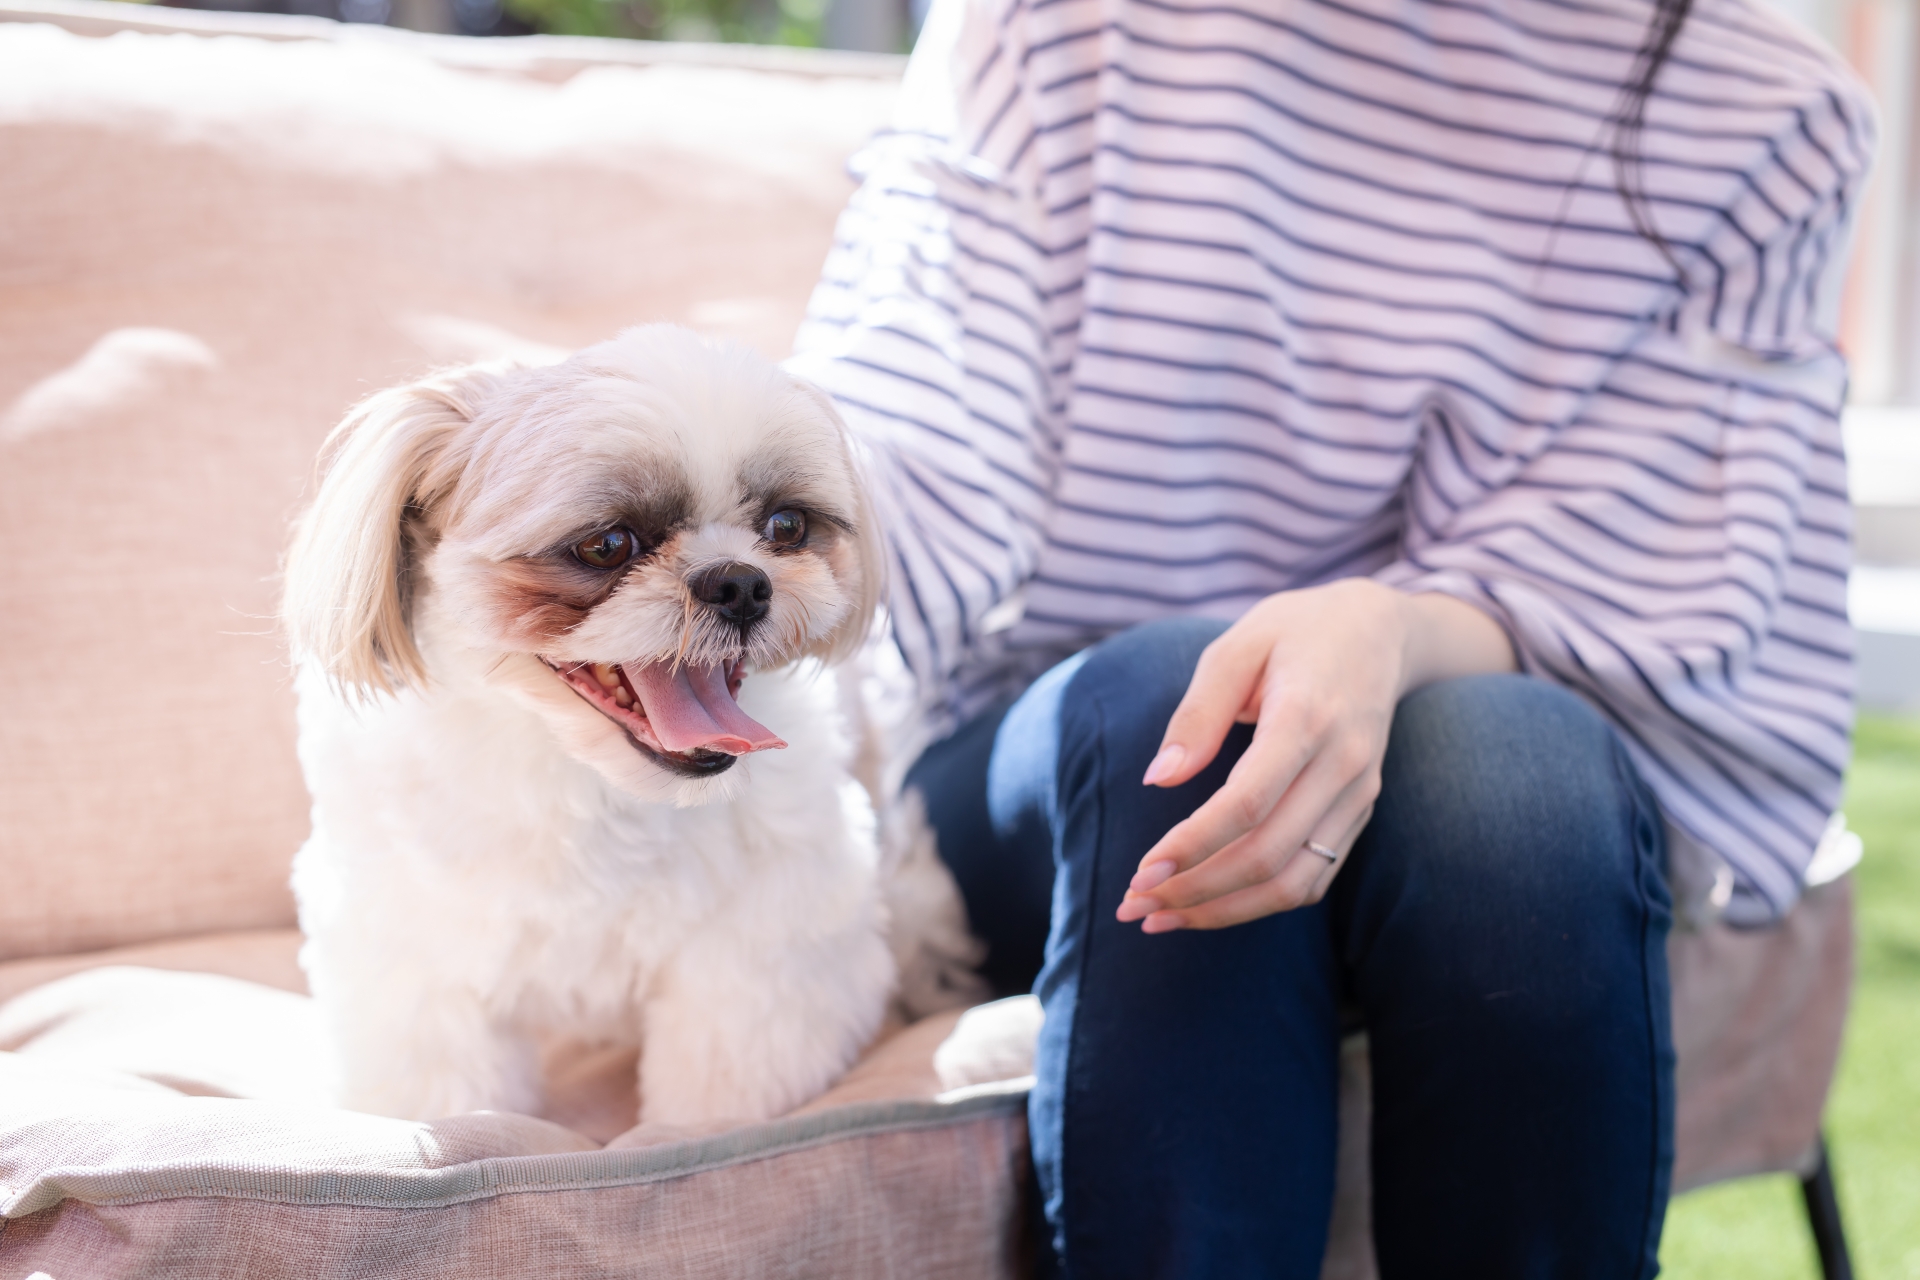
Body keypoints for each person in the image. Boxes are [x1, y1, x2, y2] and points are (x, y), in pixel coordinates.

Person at [788, 0, 1872, 1271]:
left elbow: (1659, 568)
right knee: (1180, 716)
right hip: (1058, 752)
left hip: (1488, 709)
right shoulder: (1054, 24)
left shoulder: (1754, 108)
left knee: (1515, 785)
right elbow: (900, 448)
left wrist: (1384, 631)